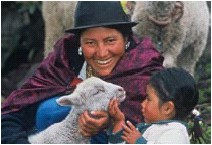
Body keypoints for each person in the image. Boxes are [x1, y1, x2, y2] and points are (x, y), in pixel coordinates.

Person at [1, 1, 164, 144]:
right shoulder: (63, 61)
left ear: (126, 40)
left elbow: (156, 125)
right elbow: (13, 114)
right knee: (50, 110)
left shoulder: (144, 66)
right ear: (79, 43)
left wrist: (110, 122)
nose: (101, 53)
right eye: (90, 43)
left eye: (110, 41)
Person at [108, 67, 199, 144]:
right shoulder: (151, 128)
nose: (143, 103)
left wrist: (138, 142)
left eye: (148, 99)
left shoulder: (176, 133)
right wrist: (118, 122)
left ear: (167, 108)